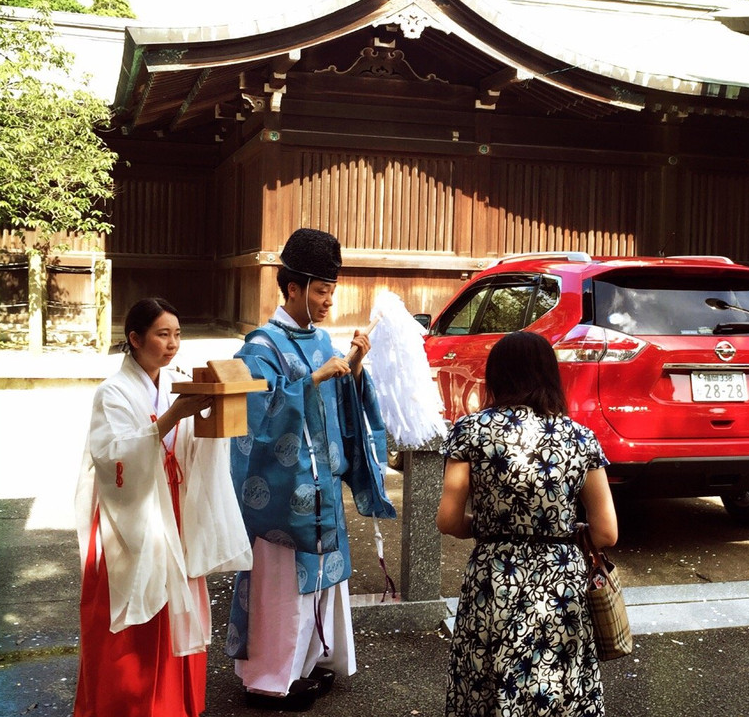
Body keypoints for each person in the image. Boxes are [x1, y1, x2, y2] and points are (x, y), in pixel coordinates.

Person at [226, 227, 396, 709]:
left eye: (331, 292)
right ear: (293, 288)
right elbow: (254, 427)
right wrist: (311, 381)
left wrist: (354, 367)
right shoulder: (260, 348)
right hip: (283, 497)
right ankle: (270, 677)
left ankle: (312, 661)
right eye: (321, 291)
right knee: (283, 588)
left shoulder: (321, 341)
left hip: (321, 488)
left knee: (323, 586)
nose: (328, 302)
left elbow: (338, 403)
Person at [73, 297, 253, 717]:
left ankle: (174, 705)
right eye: (162, 334)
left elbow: (192, 446)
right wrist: (172, 416)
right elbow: (113, 456)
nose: (172, 343)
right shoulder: (113, 392)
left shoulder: (177, 382)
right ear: (135, 339)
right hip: (132, 515)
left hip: (174, 506)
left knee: (176, 608)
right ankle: (126, 706)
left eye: (176, 334)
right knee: (136, 612)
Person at [436, 330, 619, 717]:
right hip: (561, 582)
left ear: (496, 376)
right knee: (557, 684)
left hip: (493, 577)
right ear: (550, 376)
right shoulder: (581, 438)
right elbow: (607, 532)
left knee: (486, 678)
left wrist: (484, 528)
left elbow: (448, 520)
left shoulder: (470, 431)